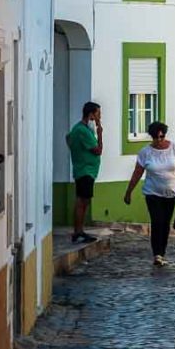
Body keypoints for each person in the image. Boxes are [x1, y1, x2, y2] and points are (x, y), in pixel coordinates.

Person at [123, 121, 175, 267]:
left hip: (171, 193)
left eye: (161, 136)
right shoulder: (145, 152)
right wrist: (129, 192)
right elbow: (137, 173)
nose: (159, 140)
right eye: (156, 137)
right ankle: (157, 254)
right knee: (157, 221)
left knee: (165, 224)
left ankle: (162, 252)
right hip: (152, 193)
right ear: (152, 137)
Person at [66, 102, 103, 243]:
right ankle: (78, 230)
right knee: (82, 201)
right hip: (85, 171)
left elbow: (68, 138)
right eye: (98, 113)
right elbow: (98, 150)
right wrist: (100, 134)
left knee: (83, 200)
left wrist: (76, 152)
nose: (99, 116)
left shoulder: (80, 129)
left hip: (85, 169)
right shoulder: (82, 130)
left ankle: (79, 230)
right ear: (91, 114)